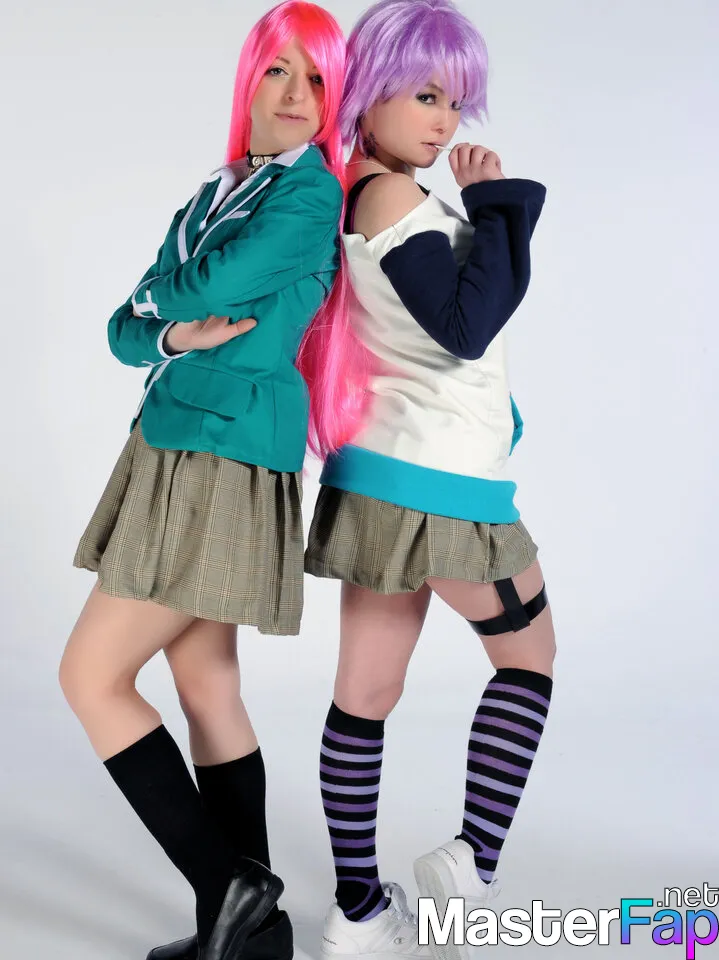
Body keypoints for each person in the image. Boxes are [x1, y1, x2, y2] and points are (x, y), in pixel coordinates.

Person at [59, 4, 362, 960]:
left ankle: (227, 883)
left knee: (90, 676)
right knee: (204, 680)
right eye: (278, 71)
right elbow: (124, 332)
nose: (296, 95)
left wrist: (168, 309)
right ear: (249, 79)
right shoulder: (215, 193)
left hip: (220, 448)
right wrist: (168, 327)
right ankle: (249, 934)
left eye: (316, 79)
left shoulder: (309, 194)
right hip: (180, 438)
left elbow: (196, 290)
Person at [304, 2, 554, 959]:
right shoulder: (389, 199)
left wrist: (486, 212)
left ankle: (357, 911)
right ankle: (468, 863)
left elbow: (461, 316)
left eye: (454, 100)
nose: (445, 120)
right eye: (423, 95)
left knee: (364, 694)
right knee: (528, 661)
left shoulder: (364, 191)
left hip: (381, 477)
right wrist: (495, 205)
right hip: (440, 482)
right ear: (369, 92)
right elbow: (467, 325)